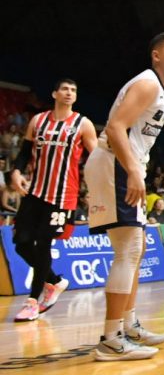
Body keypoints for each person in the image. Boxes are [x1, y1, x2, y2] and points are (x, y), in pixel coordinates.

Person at [84, 33, 164, 360]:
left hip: (124, 164)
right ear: (156, 55)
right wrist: (132, 170)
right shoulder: (147, 84)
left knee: (136, 249)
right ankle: (111, 339)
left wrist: (134, 168)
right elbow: (115, 127)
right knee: (128, 249)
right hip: (115, 162)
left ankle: (128, 325)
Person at [7, 78, 98, 323]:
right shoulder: (38, 121)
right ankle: (55, 281)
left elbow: (96, 158)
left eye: (73, 90)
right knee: (21, 243)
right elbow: (24, 153)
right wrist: (16, 172)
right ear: (55, 94)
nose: (69, 93)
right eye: (65, 89)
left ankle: (32, 302)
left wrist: (96, 188)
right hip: (34, 192)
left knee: (43, 244)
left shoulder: (83, 124)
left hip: (63, 197)